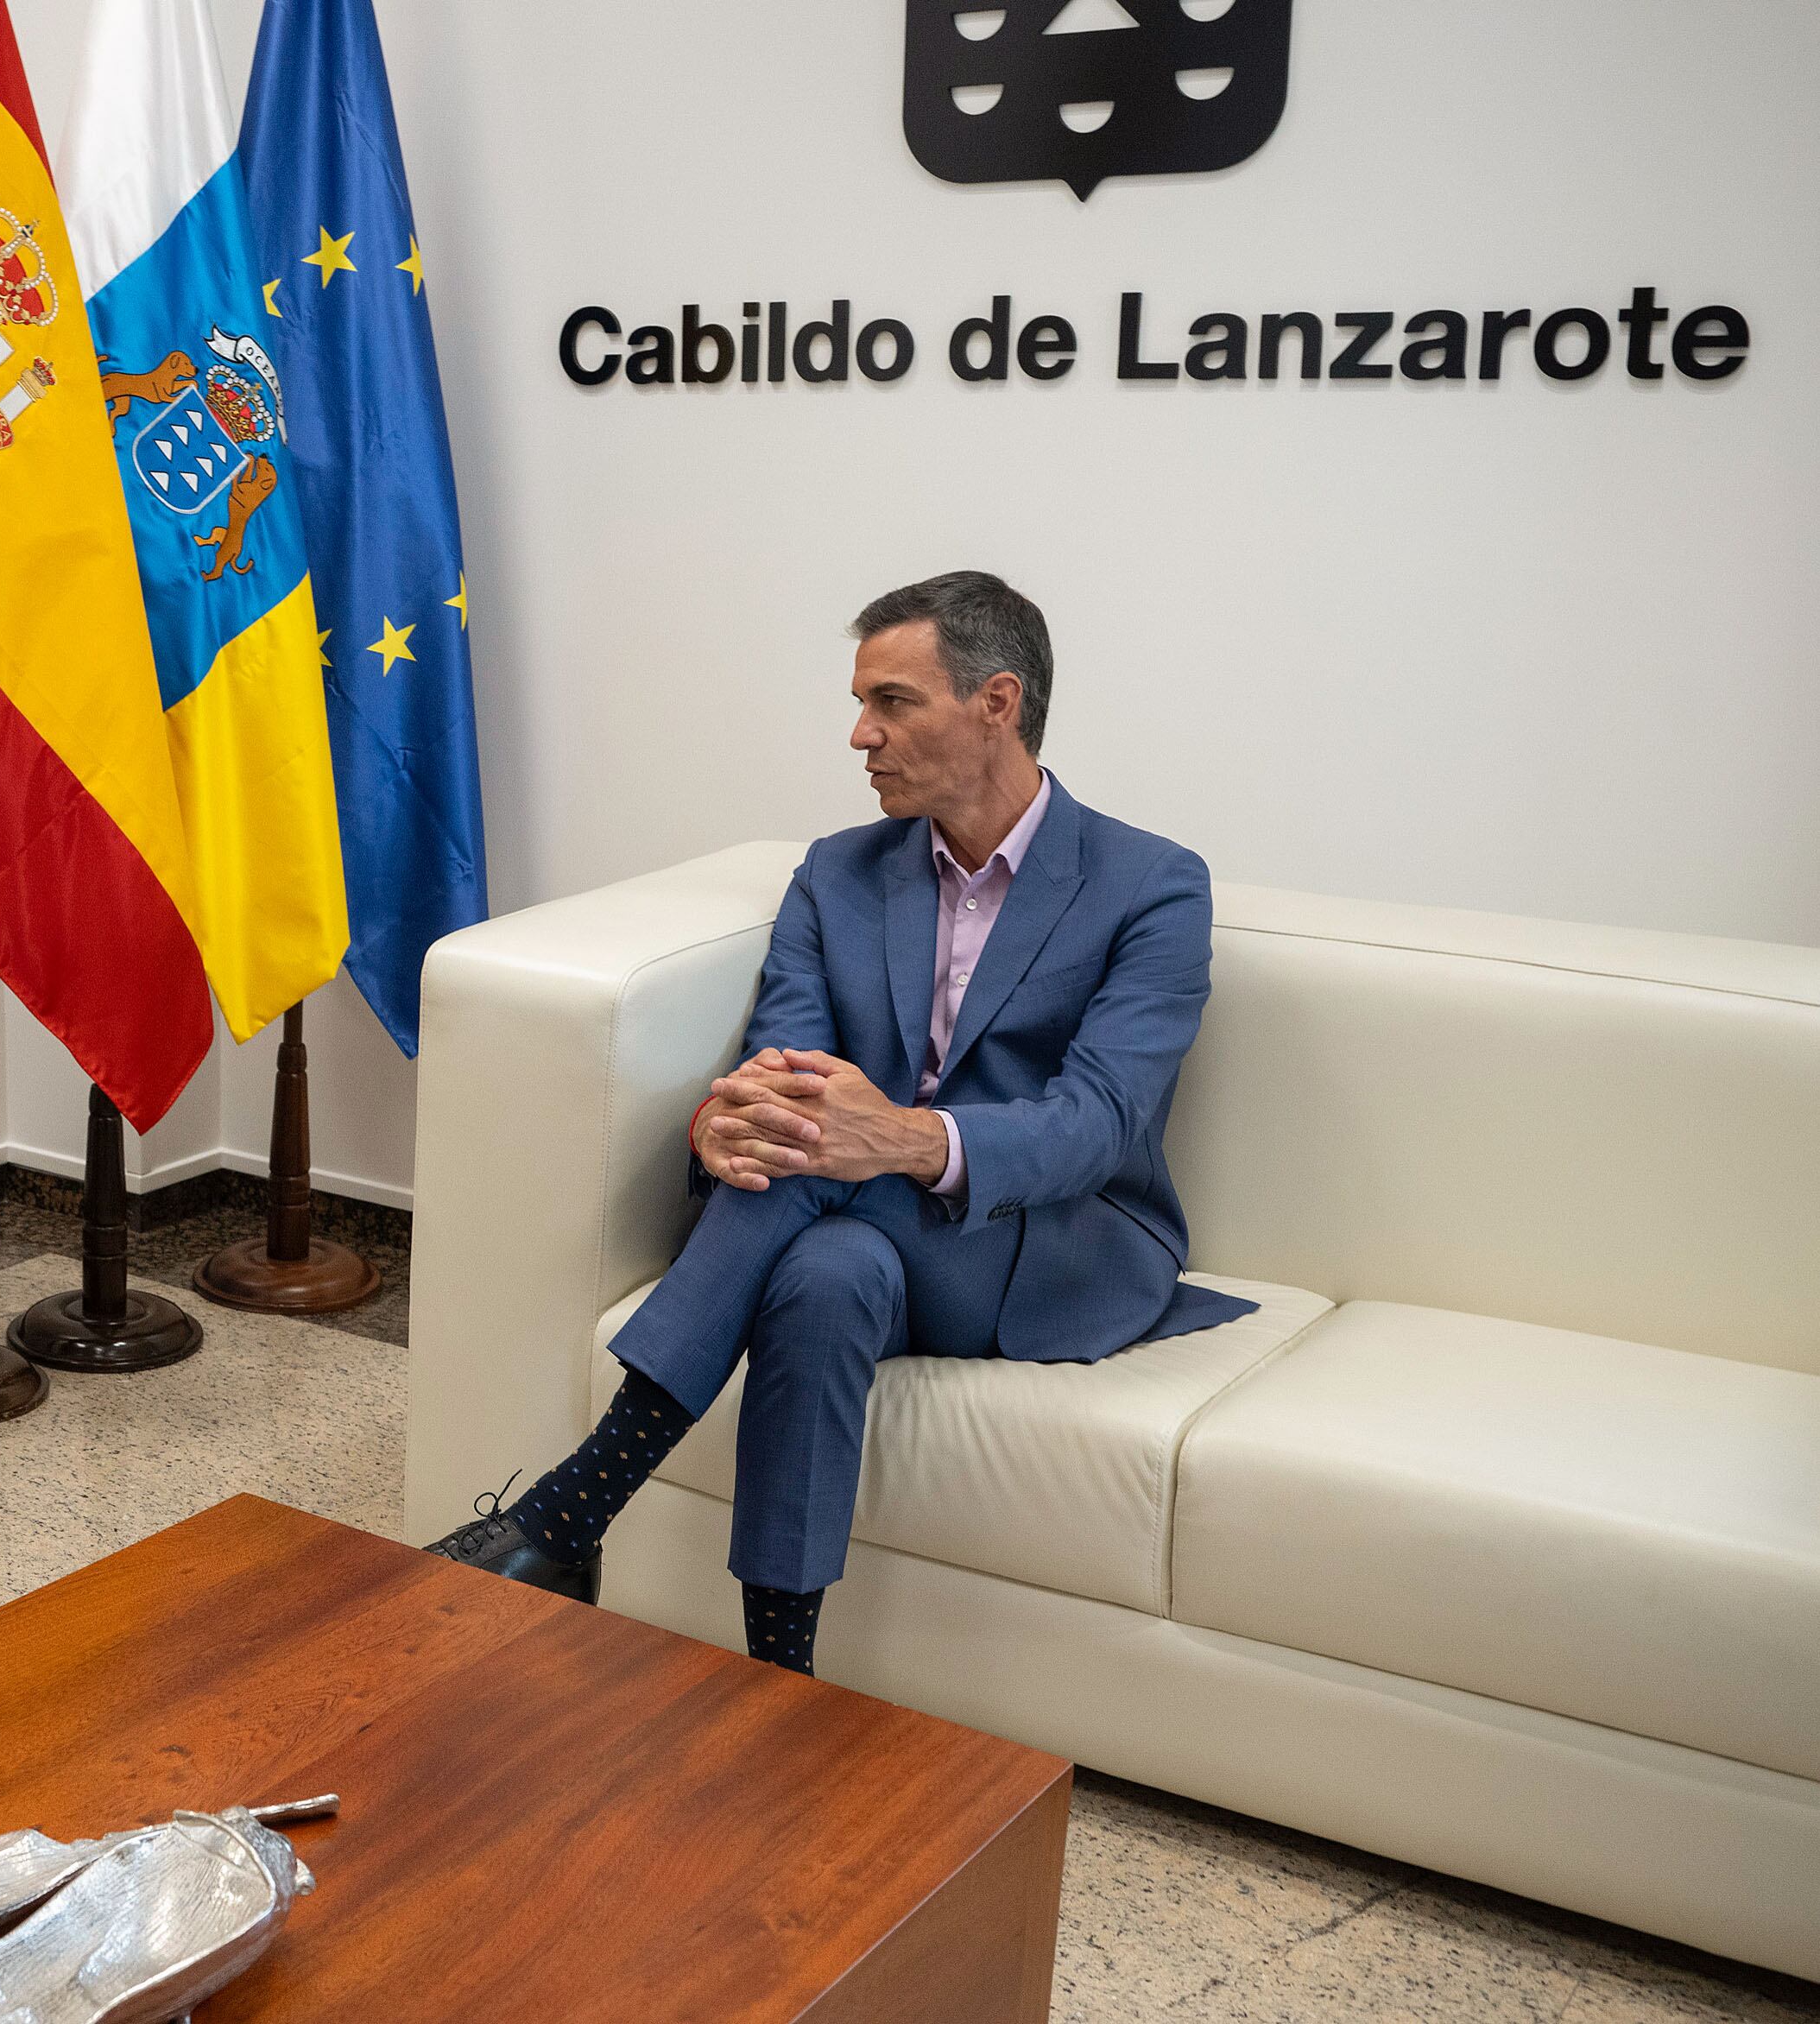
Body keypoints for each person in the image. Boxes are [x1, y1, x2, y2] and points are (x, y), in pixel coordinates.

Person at [423, 571, 1255, 1677]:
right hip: (863, 1231)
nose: (860, 734)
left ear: (996, 703)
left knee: (818, 1167)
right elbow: (781, 1069)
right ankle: (781, 1681)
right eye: (861, 703)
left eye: (891, 702)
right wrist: (723, 1124)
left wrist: (899, 1139)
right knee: (824, 1274)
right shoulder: (837, 873)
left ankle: (568, 1511)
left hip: (1052, 1241)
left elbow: (1096, 1123)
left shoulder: (1149, 884)